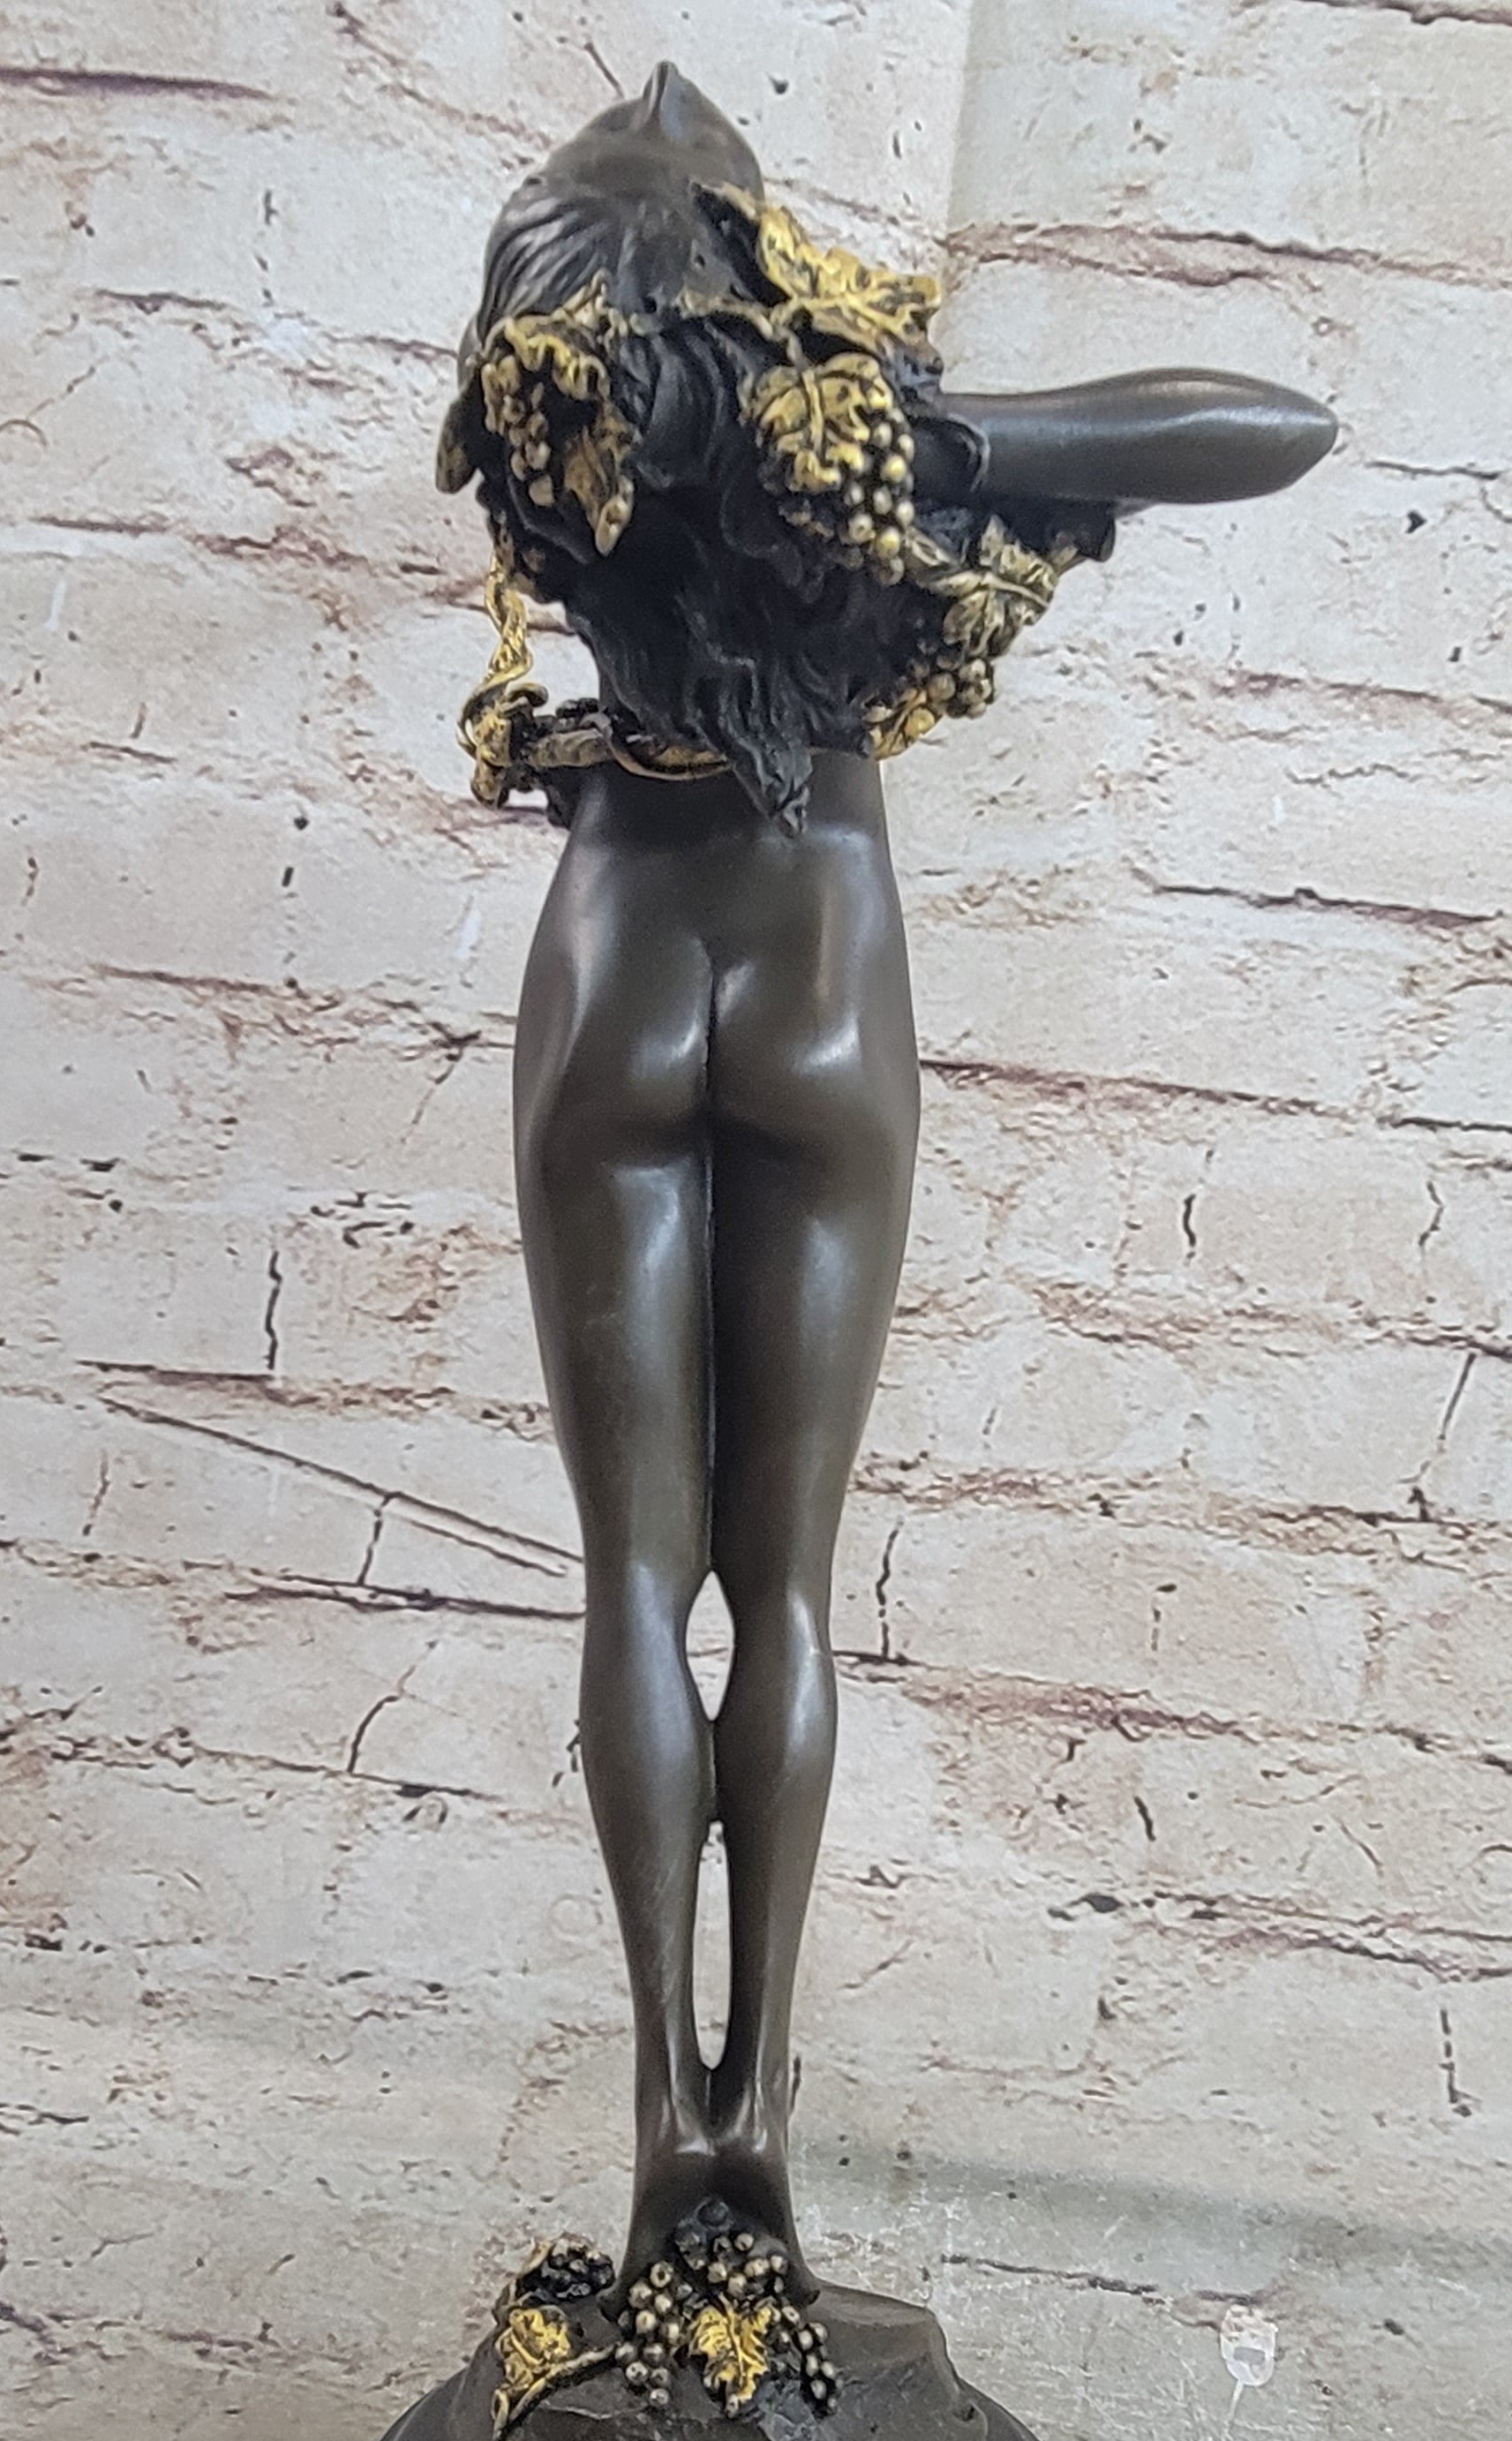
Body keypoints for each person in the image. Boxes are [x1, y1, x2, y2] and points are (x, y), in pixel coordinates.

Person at [440, 64, 1335, 2295]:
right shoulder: (850, 430)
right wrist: (928, 421)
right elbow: (1269, 425)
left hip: (615, 967)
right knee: (787, 1591)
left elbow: (641, 660)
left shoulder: (539, 410)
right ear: (748, 251)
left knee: (631, 1582)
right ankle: (758, 2104)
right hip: (821, 981)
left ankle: (660, 2111)